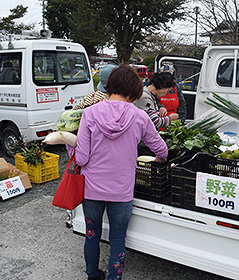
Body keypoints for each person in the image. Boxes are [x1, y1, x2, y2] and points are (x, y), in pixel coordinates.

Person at [66, 64, 168, 280]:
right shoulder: (140, 117)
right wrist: (156, 161)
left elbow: (82, 158)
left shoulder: (89, 113)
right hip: (122, 192)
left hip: (91, 190)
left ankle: (93, 275)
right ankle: (115, 278)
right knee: (118, 238)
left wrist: (69, 144)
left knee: (91, 235)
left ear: (109, 86)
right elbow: (162, 150)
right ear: (133, 92)